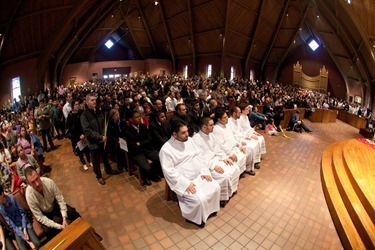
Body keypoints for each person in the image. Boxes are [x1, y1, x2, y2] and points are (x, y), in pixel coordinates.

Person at [159, 121, 221, 227]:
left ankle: (210, 210)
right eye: (183, 133)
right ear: (174, 134)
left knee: (215, 187)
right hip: (185, 180)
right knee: (199, 199)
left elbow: (199, 156)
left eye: (187, 131)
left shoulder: (190, 141)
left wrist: (204, 171)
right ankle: (196, 218)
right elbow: (169, 172)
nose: (187, 134)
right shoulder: (166, 150)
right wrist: (185, 184)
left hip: (199, 174)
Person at [193, 117, 240, 207]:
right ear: (204, 127)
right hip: (207, 165)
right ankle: (222, 198)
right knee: (224, 176)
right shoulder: (196, 139)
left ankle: (232, 190)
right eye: (211, 125)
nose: (213, 126)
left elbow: (216, 148)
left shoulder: (211, 135)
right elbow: (200, 158)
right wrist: (214, 166)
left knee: (235, 167)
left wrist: (224, 157)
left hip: (216, 158)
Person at [24, 167, 81, 240]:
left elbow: (60, 199)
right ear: (28, 183)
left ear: (38, 175)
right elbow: (40, 217)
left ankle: (91, 232)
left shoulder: (49, 182)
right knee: (48, 232)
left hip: (54, 205)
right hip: (45, 214)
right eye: (33, 182)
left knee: (72, 212)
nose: (37, 184)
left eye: (37, 179)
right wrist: (59, 226)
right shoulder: (29, 196)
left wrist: (64, 217)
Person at [80, 93, 120, 185]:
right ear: (86, 102)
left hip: (102, 140)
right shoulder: (84, 115)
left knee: (105, 156)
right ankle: (98, 176)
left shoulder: (98, 111)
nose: (94, 101)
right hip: (94, 142)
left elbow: (102, 124)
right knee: (96, 160)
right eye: (92, 100)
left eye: (95, 100)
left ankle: (108, 170)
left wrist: (103, 135)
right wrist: (99, 137)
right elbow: (87, 131)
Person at [126, 111, 162, 186]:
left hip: (147, 149)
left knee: (159, 158)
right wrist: (142, 143)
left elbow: (149, 139)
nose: (139, 118)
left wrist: (140, 143)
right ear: (131, 119)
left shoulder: (143, 126)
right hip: (137, 153)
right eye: (136, 117)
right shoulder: (128, 131)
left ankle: (154, 174)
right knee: (146, 167)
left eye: (139, 116)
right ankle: (145, 178)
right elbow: (133, 145)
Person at [0, 185, 41, 250]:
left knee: (37, 243)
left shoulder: (11, 198)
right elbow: (12, 225)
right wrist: (28, 241)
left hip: (24, 223)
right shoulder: (1, 208)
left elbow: (22, 213)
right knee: (22, 248)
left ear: (2, 194)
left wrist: (24, 229)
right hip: (16, 229)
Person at [212, 108, 247, 175]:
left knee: (243, 154)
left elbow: (233, 136)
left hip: (234, 148)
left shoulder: (227, 125)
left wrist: (239, 145)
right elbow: (221, 145)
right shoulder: (217, 129)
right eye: (224, 117)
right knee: (234, 164)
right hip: (227, 152)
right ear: (219, 119)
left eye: (227, 116)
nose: (227, 118)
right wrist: (230, 154)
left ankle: (241, 172)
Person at [66, 100, 92, 171]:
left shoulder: (81, 112)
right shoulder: (70, 116)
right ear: (73, 106)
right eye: (76, 105)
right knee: (80, 150)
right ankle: (84, 163)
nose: (77, 106)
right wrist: (79, 136)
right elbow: (70, 128)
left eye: (78, 104)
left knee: (86, 149)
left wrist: (84, 133)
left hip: (83, 134)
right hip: (76, 136)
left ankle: (89, 161)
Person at [106, 109, 127, 173]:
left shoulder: (123, 122)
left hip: (124, 139)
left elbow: (126, 131)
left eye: (118, 114)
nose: (118, 116)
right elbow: (109, 136)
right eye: (115, 115)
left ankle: (126, 164)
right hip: (116, 141)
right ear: (112, 117)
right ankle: (120, 164)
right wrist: (117, 140)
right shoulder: (110, 124)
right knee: (118, 149)